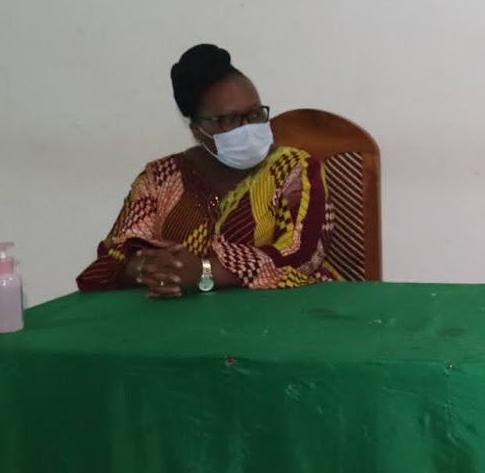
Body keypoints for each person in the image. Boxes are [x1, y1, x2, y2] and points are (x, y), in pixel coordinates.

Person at [77, 44, 331, 298]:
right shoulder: (159, 178)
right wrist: (149, 269)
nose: (248, 127)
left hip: (279, 314)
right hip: (175, 316)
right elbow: (114, 256)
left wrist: (205, 272)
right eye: (229, 119)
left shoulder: (294, 170)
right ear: (197, 131)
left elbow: (302, 255)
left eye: (255, 114)